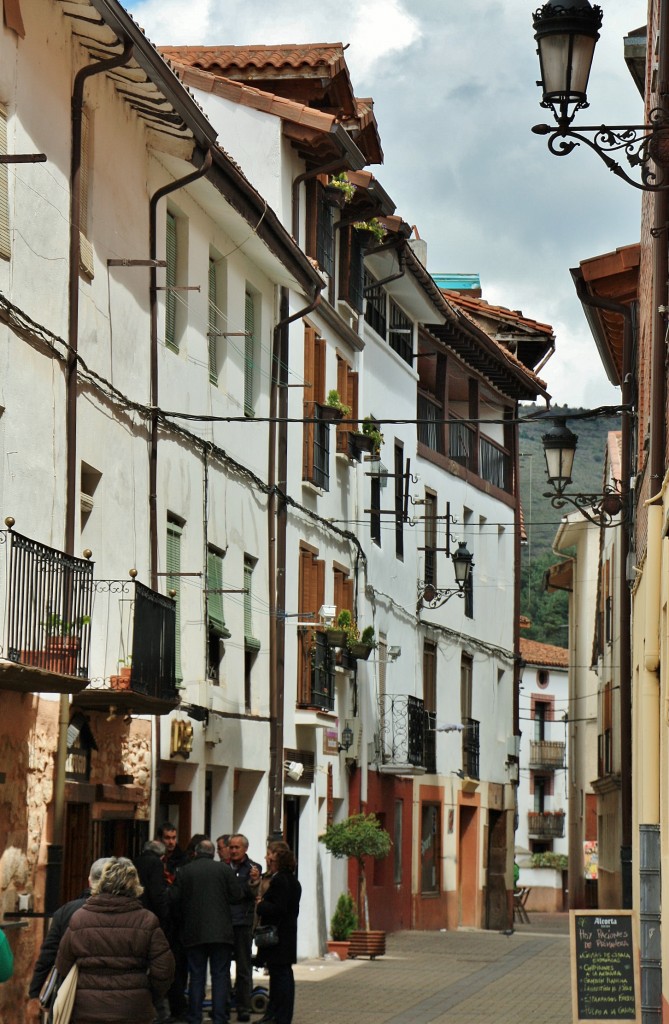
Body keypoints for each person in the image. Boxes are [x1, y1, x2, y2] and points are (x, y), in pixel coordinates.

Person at [54, 857, 174, 1024]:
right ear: (134, 885)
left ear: (101, 882)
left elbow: (63, 964)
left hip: (87, 1009)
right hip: (133, 1009)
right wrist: (148, 993)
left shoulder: (80, 919)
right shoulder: (146, 920)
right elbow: (164, 969)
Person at [27, 857, 110, 1020]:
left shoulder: (67, 911)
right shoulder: (131, 914)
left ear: (89, 881)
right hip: (114, 999)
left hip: (72, 994)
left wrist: (34, 992)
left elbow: (48, 954)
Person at [171, 837, 242, 1024]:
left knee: (196, 976)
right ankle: (220, 1017)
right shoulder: (224, 870)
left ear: (195, 853)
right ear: (213, 854)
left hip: (194, 932)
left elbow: (174, 899)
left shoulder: (185, 871)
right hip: (221, 933)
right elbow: (237, 896)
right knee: (220, 976)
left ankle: (194, 1017)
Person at [256, 845, 301, 1024]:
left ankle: (279, 1016)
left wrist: (261, 905)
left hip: (278, 937)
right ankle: (276, 1014)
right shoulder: (293, 881)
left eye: (272, 860)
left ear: (280, 863)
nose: (269, 862)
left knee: (280, 977)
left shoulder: (280, 881)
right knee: (280, 975)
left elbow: (279, 908)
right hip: (286, 936)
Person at [134, 841, 171, 1023]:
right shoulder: (155, 864)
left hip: (135, 917)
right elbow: (157, 893)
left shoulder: (135, 861)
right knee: (155, 966)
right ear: (161, 856)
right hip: (150, 919)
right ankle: (159, 1011)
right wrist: (165, 916)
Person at [156, 822, 189, 1021]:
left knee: (177, 966)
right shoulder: (156, 860)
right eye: (167, 838)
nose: (171, 842)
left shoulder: (181, 860)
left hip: (176, 923)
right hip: (162, 922)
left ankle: (177, 1007)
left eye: (173, 838)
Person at [228, 834, 262, 1022]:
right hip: (225, 923)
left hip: (243, 923)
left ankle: (243, 1006)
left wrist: (252, 883)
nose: (233, 851)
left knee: (243, 967)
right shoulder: (223, 868)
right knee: (222, 966)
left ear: (245, 849)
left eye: (237, 848)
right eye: (231, 847)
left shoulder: (253, 869)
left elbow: (248, 893)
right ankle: (224, 1004)